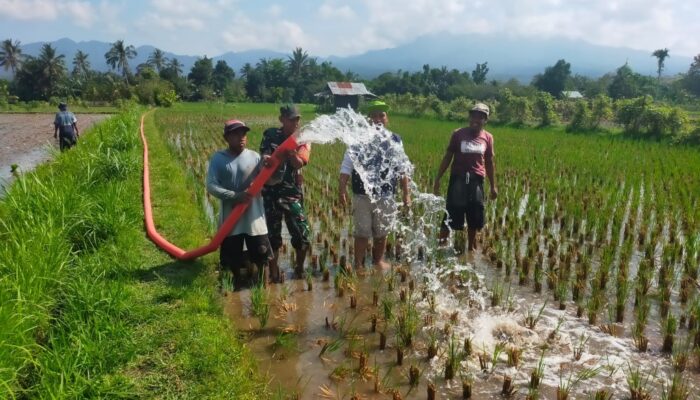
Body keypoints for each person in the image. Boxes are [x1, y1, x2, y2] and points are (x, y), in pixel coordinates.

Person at [338, 100, 410, 270]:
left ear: (387, 119)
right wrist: (341, 189)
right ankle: (358, 264)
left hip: (386, 195)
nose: (378, 119)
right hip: (362, 195)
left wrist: (406, 193)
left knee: (382, 232)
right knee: (362, 233)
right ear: (368, 119)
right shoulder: (357, 140)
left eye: (381, 115)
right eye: (374, 116)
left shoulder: (395, 140)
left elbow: (402, 167)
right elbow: (347, 165)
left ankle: (378, 261)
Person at [207, 119, 271, 289]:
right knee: (232, 265)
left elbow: (268, 180)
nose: (241, 137)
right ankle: (233, 299)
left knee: (262, 262)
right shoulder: (218, 159)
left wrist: (272, 165)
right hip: (231, 223)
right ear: (226, 137)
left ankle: (263, 296)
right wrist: (236, 196)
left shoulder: (255, 157)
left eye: (243, 133)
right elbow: (211, 186)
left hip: (255, 221)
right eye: (236, 134)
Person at [433, 103, 497, 253]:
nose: (476, 119)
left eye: (481, 117)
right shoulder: (458, 134)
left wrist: (493, 185)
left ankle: (470, 249)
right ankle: (440, 246)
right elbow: (448, 156)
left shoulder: (488, 138)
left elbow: (489, 162)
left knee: (474, 214)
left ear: (485, 120)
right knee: (451, 213)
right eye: (474, 115)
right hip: (458, 180)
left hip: (476, 180)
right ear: (470, 117)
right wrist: (438, 178)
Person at [260, 104, 311, 281]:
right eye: (291, 119)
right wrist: (266, 158)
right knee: (272, 235)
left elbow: (299, 163)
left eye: (298, 119)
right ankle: (274, 272)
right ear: (282, 119)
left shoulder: (303, 140)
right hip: (271, 193)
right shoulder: (271, 134)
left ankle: (299, 269)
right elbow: (264, 154)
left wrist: (290, 153)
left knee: (302, 234)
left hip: (292, 194)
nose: (296, 123)